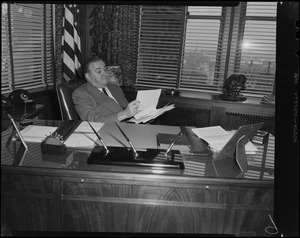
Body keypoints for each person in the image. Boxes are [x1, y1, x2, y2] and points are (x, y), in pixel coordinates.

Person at [72, 57, 140, 122]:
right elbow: (91, 120)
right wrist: (124, 114)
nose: (104, 73)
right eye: (99, 71)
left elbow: (125, 107)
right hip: (109, 130)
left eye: (105, 69)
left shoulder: (114, 87)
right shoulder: (81, 93)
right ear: (88, 76)